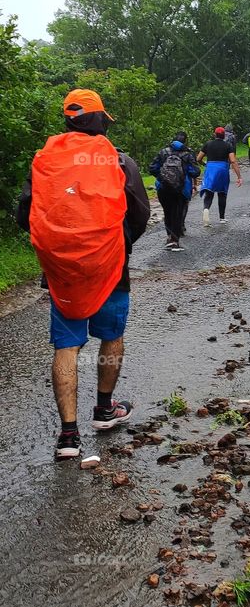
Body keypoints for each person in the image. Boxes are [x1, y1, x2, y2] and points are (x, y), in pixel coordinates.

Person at [16, 87, 151, 460]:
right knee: (111, 337)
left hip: (63, 275)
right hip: (111, 268)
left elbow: (25, 214)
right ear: (98, 121)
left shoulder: (43, 163)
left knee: (67, 346)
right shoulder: (121, 162)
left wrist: (60, 250)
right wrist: (114, 248)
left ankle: (68, 437)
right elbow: (140, 215)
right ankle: (105, 410)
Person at [149, 133, 200, 249]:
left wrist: (162, 177)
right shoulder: (187, 154)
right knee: (177, 213)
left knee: (167, 212)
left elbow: (152, 168)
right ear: (185, 142)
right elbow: (195, 172)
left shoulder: (163, 152)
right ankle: (175, 239)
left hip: (163, 187)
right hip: (181, 188)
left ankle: (169, 236)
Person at [197, 127, 242, 224]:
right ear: (224, 135)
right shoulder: (228, 145)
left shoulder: (208, 144)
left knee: (209, 192)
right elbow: (233, 161)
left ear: (214, 134)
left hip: (210, 168)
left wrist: (205, 164)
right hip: (222, 169)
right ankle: (222, 218)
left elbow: (198, 158)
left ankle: (206, 209)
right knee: (222, 193)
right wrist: (239, 176)